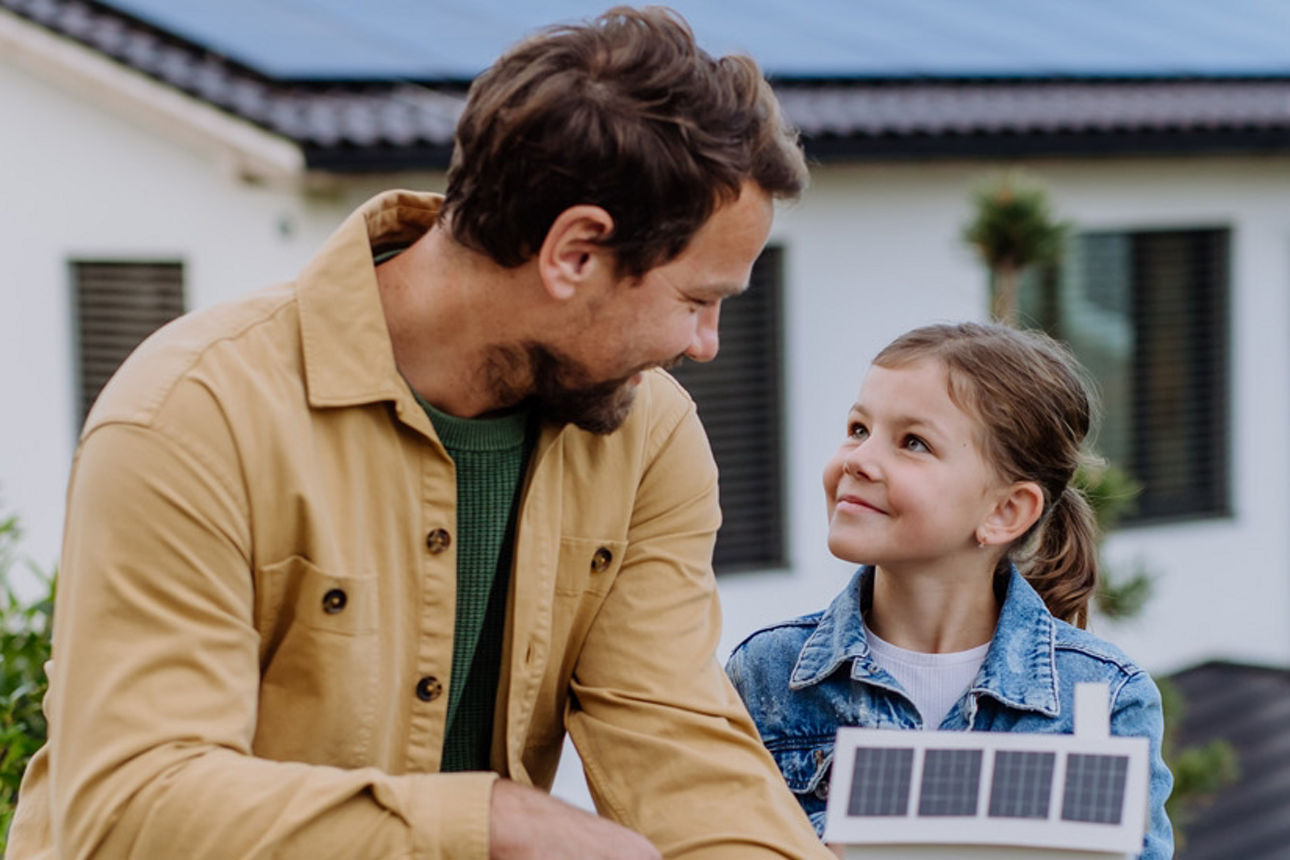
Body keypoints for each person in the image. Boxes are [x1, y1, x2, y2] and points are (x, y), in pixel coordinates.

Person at [8, 7, 835, 859]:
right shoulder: (192, 412)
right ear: (575, 252)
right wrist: (490, 822)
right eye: (696, 301)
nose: (705, 347)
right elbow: (131, 808)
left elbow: (679, 750)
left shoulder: (647, 437)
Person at [726, 322, 1173, 859]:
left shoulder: (1105, 698)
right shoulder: (767, 672)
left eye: (913, 442)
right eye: (858, 428)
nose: (857, 460)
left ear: (1006, 511)